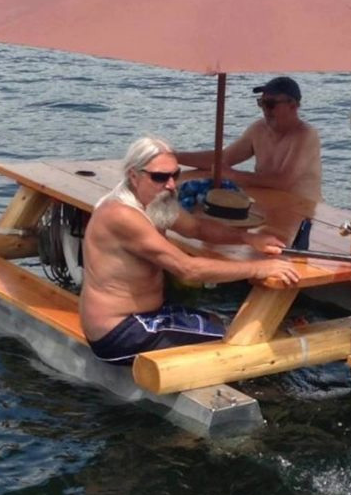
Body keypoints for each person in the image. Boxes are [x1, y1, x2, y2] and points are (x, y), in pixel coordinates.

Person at [79, 136, 299, 364]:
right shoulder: (122, 215)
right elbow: (188, 269)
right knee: (233, 340)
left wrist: (248, 238)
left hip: (148, 316)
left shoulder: (155, 201)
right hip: (120, 332)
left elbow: (197, 228)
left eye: (175, 175)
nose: (171, 185)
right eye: (160, 177)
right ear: (134, 176)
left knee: (224, 322)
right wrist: (258, 269)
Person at [175, 76, 322, 202]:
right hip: (269, 203)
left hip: (304, 211)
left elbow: (283, 182)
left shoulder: (305, 135)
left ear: (293, 106)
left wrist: (234, 175)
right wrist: (175, 156)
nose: (265, 109)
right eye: (261, 103)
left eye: (270, 104)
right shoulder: (258, 129)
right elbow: (223, 158)